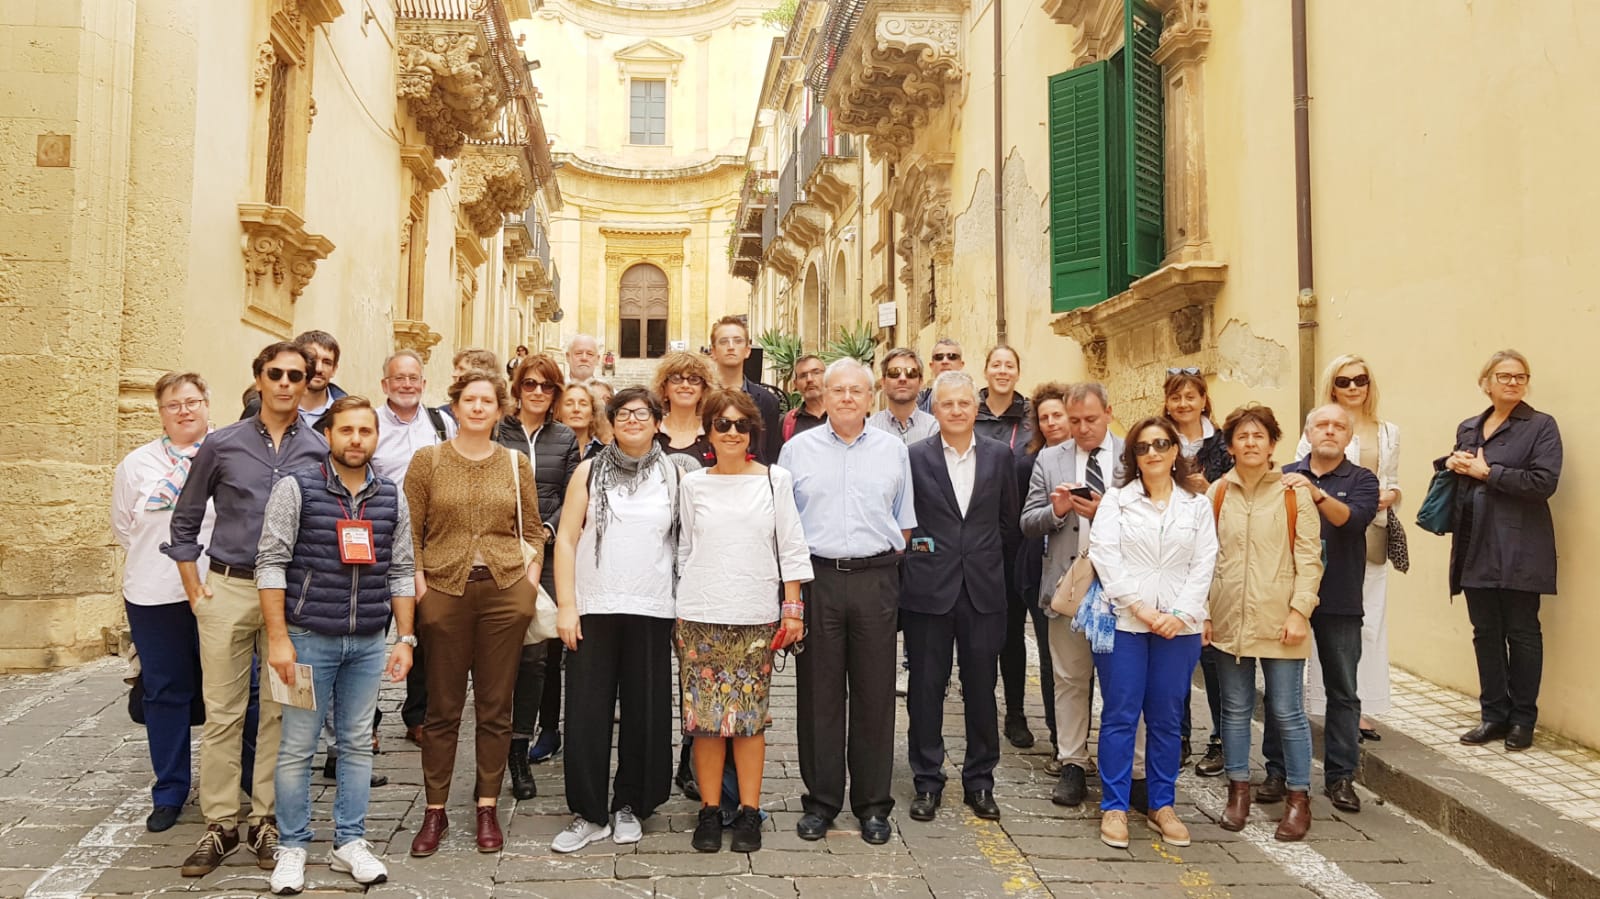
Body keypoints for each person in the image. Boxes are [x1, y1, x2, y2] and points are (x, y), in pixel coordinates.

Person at [164, 342, 329, 876]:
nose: (285, 383)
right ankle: (219, 825)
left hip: (292, 594)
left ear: (307, 384)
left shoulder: (320, 448)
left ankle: (267, 820)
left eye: (296, 375)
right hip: (229, 587)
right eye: (275, 373)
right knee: (224, 712)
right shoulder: (221, 443)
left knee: (284, 709)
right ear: (258, 378)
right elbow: (185, 522)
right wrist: (194, 588)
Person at [257, 397, 417, 893]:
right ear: (328, 434)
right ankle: (293, 846)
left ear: (375, 438)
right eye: (346, 429)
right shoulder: (296, 488)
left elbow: (402, 569)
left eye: (365, 431)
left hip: (368, 641)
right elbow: (270, 563)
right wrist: (279, 640)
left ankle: (349, 842)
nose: (355, 439)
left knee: (356, 745)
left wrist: (405, 638)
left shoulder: (391, 495)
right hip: (306, 640)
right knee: (297, 748)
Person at [403, 369, 543, 857]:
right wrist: (422, 590)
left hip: (505, 591)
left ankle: (486, 805)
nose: (479, 408)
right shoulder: (428, 460)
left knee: (495, 706)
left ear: (499, 409)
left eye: (487, 401)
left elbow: (535, 529)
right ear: (456, 407)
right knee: (441, 708)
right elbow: (410, 534)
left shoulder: (513, 462)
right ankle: (434, 811)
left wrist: (528, 584)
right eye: (470, 400)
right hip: (444, 590)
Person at [778, 358, 916, 846]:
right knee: (818, 695)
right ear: (824, 393)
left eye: (857, 391)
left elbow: (904, 524)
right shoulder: (796, 451)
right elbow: (787, 527)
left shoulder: (893, 450)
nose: (847, 398)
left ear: (870, 396)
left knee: (875, 695)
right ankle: (821, 801)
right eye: (838, 390)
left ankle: (874, 805)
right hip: (818, 580)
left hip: (876, 579)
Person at [676, 389, 812, 852]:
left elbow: (791, 546)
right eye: (722, 424)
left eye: (739, 424)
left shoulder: (775, 480)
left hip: (754, 617)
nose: (731, 432)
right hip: (700, 615)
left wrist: (792, 609)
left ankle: (750, 813)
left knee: (749, 722)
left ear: (752, 431)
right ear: (708, 431)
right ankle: (710, 811)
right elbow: (685, 549)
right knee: (705, 723)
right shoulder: (693, 485)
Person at [550, 387, 683, 853]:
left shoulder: (675, 473)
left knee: (646, 713)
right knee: (587, 712)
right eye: (623, 413)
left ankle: (631, 803)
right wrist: (567, 605)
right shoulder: (588, 472)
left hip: (651, 608)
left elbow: (684, 545)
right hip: (593, 606)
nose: (632, 420)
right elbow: (566, 540)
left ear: (657, 422)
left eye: (641, 413)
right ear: (610, 421)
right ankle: (588, 812)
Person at [1088, 416, 1216, 849]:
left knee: (1166, 718)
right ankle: (1115, 806)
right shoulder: (1116, 502)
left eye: (1162, 444)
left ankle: (1162, 804)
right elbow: (1106, 558)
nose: (1154, 453)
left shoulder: (1196, 506)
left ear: (1176, 451)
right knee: (1120, 715)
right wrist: (1141, 608)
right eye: (1143, 447)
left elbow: (1205, 564)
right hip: (1125, 622)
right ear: (1134, 457)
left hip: (1177, 628)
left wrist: (1178, 614)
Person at [901, 371, 1020, 824]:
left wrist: (985, 564)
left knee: (980, 690)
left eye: (964, 403)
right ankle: (927, 781)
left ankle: (980, 781)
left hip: (983, 591)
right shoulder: (914, 458)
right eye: (947, 403)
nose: (956, 410)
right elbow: (907, 521)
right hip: (929, 591)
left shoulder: (999, 457)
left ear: (977, 407)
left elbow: (1008, 524)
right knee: (925, 690)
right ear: (935, 408)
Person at [1206, 404, 1323, 842]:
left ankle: (1298, 798)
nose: (1250, 443)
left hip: (1281, 621)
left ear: (1273, 444)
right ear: (1231, 444)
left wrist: (1300, 612)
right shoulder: (1217, 494)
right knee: (1234, 711)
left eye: (1259, 436)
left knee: (1287, 710)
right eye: (1242, 436)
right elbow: (1205, 558)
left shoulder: (1295, 494)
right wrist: (1203, 612)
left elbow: (1310, 560)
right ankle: (1238, 790)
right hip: (1228, 620)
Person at [112, 372, 216, 834]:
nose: (184, 411)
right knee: (165, 692)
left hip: (216, 590)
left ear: (206, 405)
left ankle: (235, 785)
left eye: (192, 402)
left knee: (232, 693)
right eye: (173, 405)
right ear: (161, 412)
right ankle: (170, 789)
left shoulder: (227, 454)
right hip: (153, 593)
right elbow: (124, 526)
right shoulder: (136, 464)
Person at [1444, 350, 1561, 752]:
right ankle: (1493, 715)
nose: (1513, 382)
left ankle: (1523, 720)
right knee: (1486, 633)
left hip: (1520, 547)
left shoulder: (1541, 426)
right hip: (1475, 544)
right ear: (1486, 382)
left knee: (1523, 633)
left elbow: (1544, 482)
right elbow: (1456, 474)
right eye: (1504, 376)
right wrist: (1452, 462)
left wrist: (1488, 473)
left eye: (1520, 376)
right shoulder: (1470, 427)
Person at [1021, 382, 1123, 809]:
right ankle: (1072, 762)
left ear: (1109, 413)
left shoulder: (1132, 455)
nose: (1081, 429)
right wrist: (1058, 511)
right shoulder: (1049, 458)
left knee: (1121, 682)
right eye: (1074, 421)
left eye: (1090, 420)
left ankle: (1126, 769)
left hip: (1121, 587)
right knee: (1068, 679)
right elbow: (1028, 522)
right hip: (1067, 585)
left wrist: (1107, 510)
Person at [1276, 404, 1379, 814]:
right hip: (1288, 599)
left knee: (1343, 691)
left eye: (1339, 426)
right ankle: (1276, 771)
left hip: (1339, 598)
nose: (1330, 431)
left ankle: (1340, 778)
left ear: (1349, 437)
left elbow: (1352, 521)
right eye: (1322, 424)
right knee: (1282, 691)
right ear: (1308, 432)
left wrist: (1314, 493)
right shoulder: (1283, 473)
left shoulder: (1362, 480)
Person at [1295, 355, 1400, 743]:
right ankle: (1323, 704)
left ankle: (1361, 705)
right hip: (1320, 541)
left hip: (1369, 536)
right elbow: (1301, 474)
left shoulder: (1387, 431)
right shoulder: (1320, 425)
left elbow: (1391, 479)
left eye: (1361, 380)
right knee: (1325, 623)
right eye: (1344, 380)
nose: (1354, 387)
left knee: (1366, 627)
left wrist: (1390, 494)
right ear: (1332, 385)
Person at [495, 354, 580, 800]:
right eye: (529, 384)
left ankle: (522, 746)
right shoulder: (496, 431)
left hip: (544, 556)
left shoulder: (565, 438)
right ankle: (492, 746)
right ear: (517, 388)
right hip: (496, 555)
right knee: (496, 655)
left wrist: (546, 531)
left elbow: (571, 494)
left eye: (546, 387)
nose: (537, 393)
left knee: (537, 656)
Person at [372, 349, 454, 747]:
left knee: (425, 629)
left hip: (428, 541)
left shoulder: (441, 424)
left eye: (413, 378)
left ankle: (418, 715)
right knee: (371, 631)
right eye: (398, 378)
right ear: (385, 384)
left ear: (423, 383)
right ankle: (363, 723)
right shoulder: (370, 424)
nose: (406, 384)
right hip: (376, 540)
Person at [1162, 369, 1232, 776]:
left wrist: (1211, 489)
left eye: (1191, 396)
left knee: (1211, 656)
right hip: (1171, 556)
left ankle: (1221, 739)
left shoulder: (1222, 443)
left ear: (1204, 399)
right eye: (1176, 397)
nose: (1184, 404)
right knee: (1177, 653)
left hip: (1214, 554)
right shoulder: (1160, 438)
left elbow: (1235, 489)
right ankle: (1180, 736)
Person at [1010, 382, 1069, 770]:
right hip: (1038, 572)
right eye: (1044, 417)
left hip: (1084, 573)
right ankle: (1059, 738)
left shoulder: (1095, 460)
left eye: (1057, 415)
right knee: (1051, 660)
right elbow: (1020, 520)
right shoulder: (1027, 464)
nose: (1051, 423)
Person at [708, 316, 782, 463]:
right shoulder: (702, 397)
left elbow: (771, 452)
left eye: (738, 341)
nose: (731, 346)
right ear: (713, 351)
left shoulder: (767, 400)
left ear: (748, 350)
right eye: (723, 341)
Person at [240, 330, 348, 427]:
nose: (319, 368)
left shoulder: (346, 414)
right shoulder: (259, 408)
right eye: (313, 360)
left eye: (327, 362)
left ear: (334, 369)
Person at [655, 350, 717, 470]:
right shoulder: (650, 431)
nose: (685, 385)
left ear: (703, 390)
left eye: (694, 379)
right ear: (664, 388)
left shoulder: (715, 432)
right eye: (676, 378)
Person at [868, 348, 938, 444]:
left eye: (911, 373)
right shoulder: (868, 429)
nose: (902, 378)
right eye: (894, 372)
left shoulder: (935, 429)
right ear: (883, 382)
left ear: (921, 382)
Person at [975, 346, 1032, 456]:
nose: (1003, 371)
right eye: (996, 365)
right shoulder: (969, 413)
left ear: (1018, 375)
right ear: (985, 372)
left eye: (1009, 366)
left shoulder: (1032, 415)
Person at [781, 354, 828, 443]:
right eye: (803, 376)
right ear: (796, 384)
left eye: (816, 372)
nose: (809, 379)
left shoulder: (843, 415)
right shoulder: (788, 423)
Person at [557, 381, 606, 460]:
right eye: (569, 404)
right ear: (558, 412)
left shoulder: (607, 454)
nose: (576, 409)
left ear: (592, 415)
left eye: (583, 404)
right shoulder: (547, 451)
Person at [916, 338, 964, 412]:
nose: (945, 361)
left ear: (961, 364)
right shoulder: (918, 404)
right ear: (931, 365)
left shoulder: (975, 401)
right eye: (939, 357)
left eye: (952, 356)